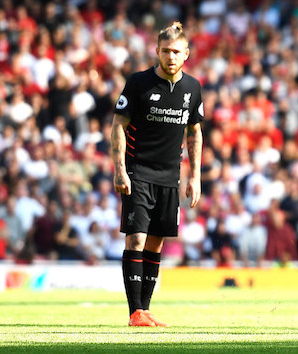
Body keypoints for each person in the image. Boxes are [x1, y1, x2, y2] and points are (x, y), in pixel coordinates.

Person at [111, 21, 203, 327]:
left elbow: (194, 132)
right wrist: (120, 169)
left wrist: (195, 176)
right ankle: (134, 311)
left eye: (176, 51)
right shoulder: (138, 83)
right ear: (157, 51)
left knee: (156, 243)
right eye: (165, 51)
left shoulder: (192, 88)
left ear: (186, 53)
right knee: (136, 239)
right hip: (138, 171)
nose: (171, 56)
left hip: (170, 176)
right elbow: (118, 126)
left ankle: (145, 309)